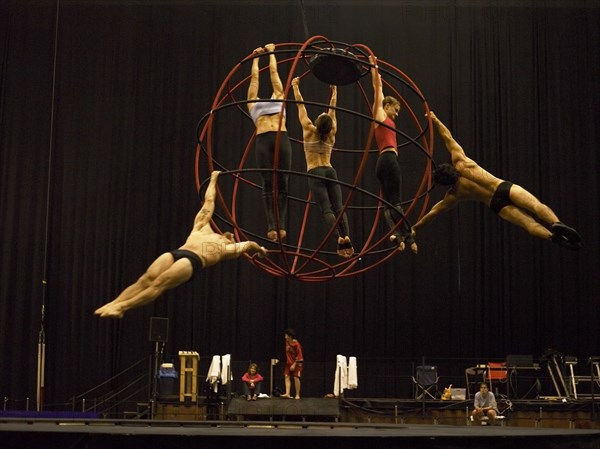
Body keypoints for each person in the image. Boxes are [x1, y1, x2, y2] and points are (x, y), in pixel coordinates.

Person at [94, 171, 267, 319]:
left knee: (160, 283)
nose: (230, 234)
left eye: (232, 237)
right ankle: (114, 303)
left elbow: (250, 244)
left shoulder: (228, 249)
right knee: (145, 278)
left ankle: (122, 308)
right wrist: (214, 179)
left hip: (194, 260)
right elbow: (209, 202)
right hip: (178, 252)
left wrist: (260, 250)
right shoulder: (203, 228)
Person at [411, 111, 582, 250]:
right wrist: (435, 120)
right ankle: (556, 223)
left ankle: (552, 237)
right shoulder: (461, 162)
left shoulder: (454, 194)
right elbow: (448, 138)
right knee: (537, 207)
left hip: (495, 204)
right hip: (503, 188)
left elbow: (433, 213)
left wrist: (414, 228)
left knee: (527, 223)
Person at [291, 76, 353, 258]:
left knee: (326, 209)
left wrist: (295, 87)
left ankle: (338, 239)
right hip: (330, 170)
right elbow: (332, 110)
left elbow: (300, 106)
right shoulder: (332, 134)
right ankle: (346, 235)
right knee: (339, 207)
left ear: (317, 123)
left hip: (315, 172)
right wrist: (335, 91)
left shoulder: (309, 130)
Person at [369, 55, 418, 254]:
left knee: (388, 202)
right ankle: (408, 236)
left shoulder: (383, 116)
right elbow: (377, 87)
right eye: (395, 110)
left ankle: (397, 237)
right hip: (388, 159)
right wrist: (374, 65)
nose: (396, 114)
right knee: (395, 200)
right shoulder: (380, 114)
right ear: (387, 106)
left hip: (382, 162)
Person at [248, 43, 292, 242]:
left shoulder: (280, 96)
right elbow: (255, 79)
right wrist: (255, 58)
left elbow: (273, 72)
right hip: (263, 140)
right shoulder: (252, 102)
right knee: (267, 183)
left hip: (281, 137)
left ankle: (281, 224)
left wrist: (272, 53)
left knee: (282, 182)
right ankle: (271, 226)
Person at [281, 328, 303, 399]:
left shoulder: (296, 344)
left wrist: (294, 364)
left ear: (290, 336)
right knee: (286, 376)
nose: (285, 337)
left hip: (297, 363)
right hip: (289, 362)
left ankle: (297, 395)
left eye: (286, 335)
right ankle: (287, 393)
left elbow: (299, 355)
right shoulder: (287, 342)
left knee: (296, 377)